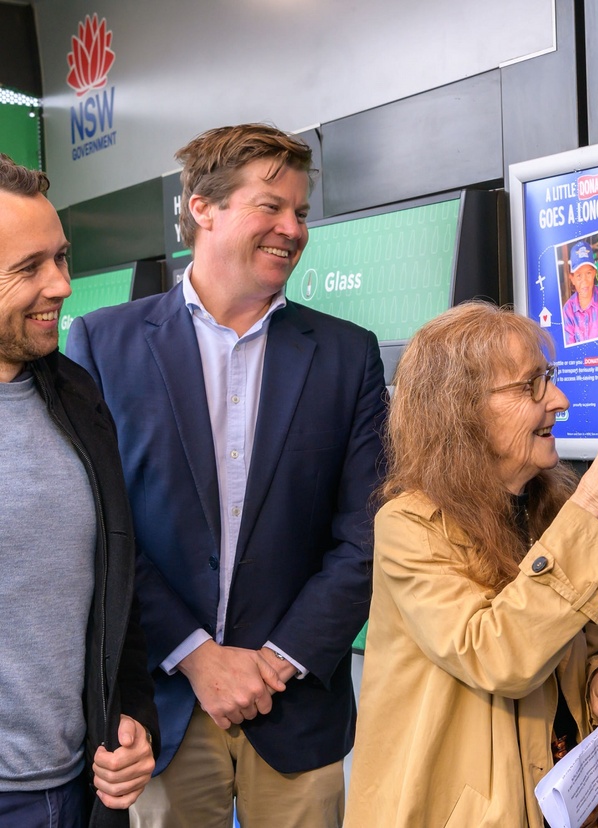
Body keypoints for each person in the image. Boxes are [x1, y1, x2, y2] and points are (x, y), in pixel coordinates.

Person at [66, 124, 386, 828]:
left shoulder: (344, 355)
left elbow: (366, 533)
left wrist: (279, 658)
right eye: (270, 207)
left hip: (296, 707)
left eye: (300, 213)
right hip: (164, 711)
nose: (291, 229)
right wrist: (197, 656)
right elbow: (96, 525)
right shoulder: (102, 343)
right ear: (201, 207)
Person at [344, 301, 598, 828]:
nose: (559, 401)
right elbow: (497, 655)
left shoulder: (548, 508)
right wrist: (589, 508)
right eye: (530, 386)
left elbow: (590, 642)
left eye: (551, 379)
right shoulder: (408, 527)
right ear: (461, 411)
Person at [0, 156, 158, 825]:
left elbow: (115, 586)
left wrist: (133, 720)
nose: (61, 284)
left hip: (77, 795)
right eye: (30, 267)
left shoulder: (77, 394)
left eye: (61, 258)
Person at [562, 240, 598, 345]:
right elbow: (570, 350)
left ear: (594, 273)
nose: (584, 281)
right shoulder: (568, 310)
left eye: (588, 273)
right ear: (571, 278)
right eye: (578, 275)